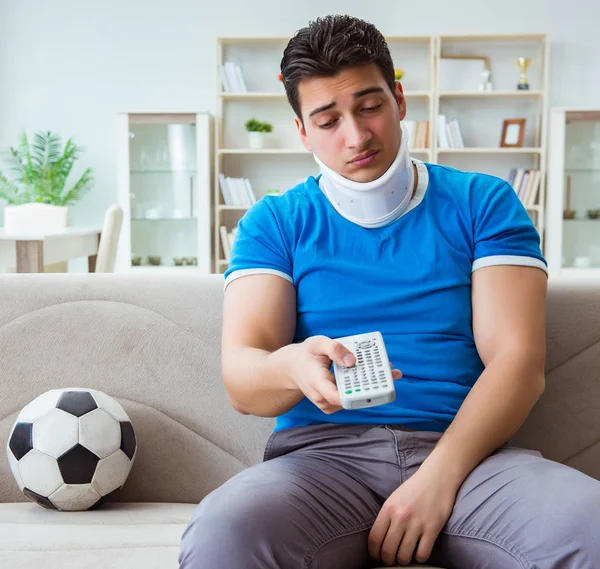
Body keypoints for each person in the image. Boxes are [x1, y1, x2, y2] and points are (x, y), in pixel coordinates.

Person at [180, 14, 600, 569]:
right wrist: (294, 367)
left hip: (471, 462)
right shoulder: (275, 222)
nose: (356, 136)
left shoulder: (485, 203)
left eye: (369, 106)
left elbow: (518, 362)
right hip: (321, 464)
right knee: (223, 534)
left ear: (399, 99)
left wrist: (438, 479)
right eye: (327, 121)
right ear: (302, 132)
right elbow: (243, 377)